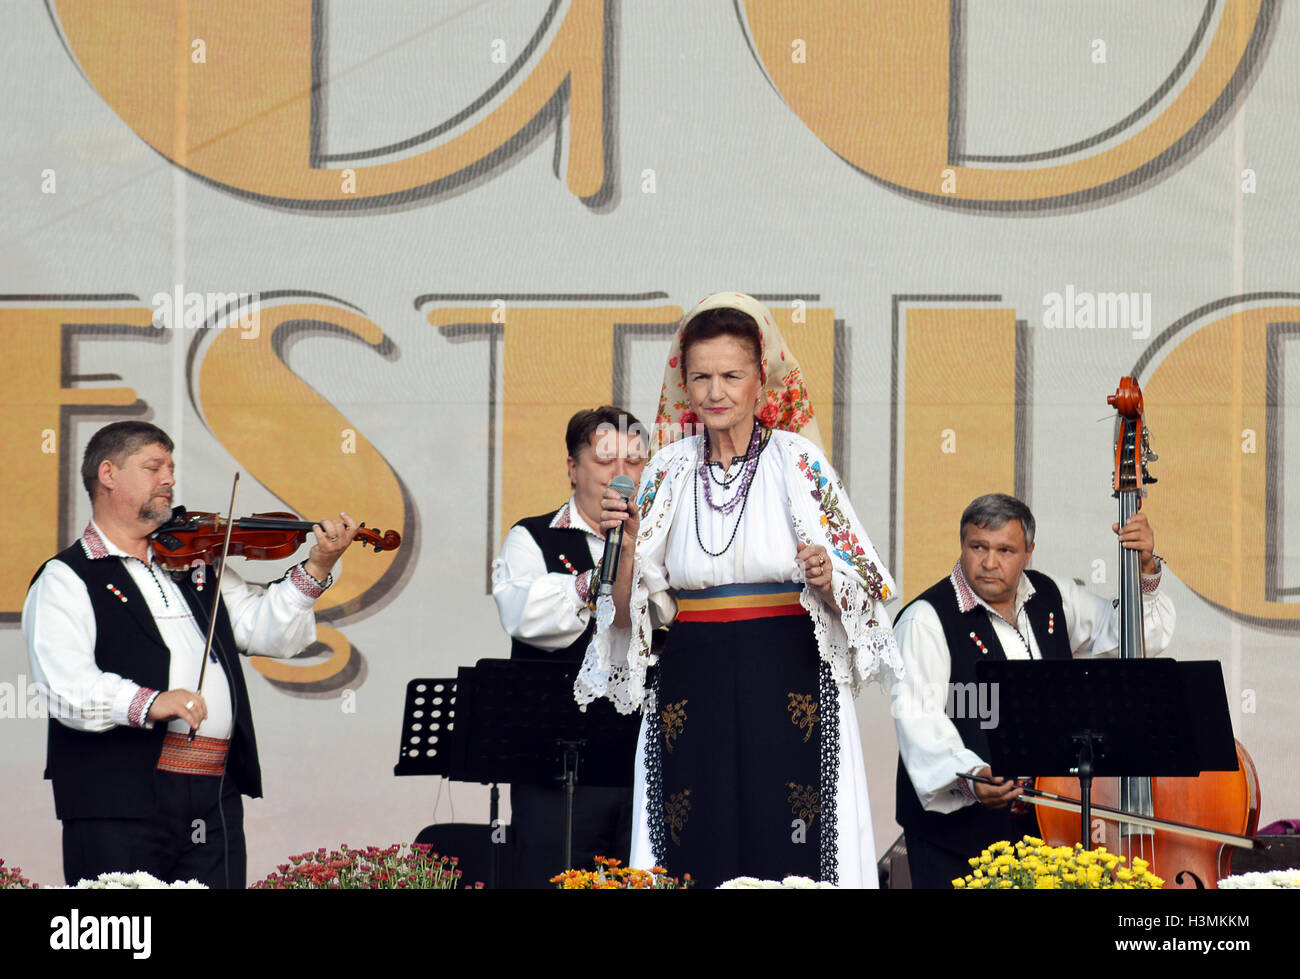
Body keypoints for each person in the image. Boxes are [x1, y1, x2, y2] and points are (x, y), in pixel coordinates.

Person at [575, 293, 900, 888]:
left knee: (792, 831)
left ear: (760, 382)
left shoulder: (799, 462)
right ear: (685, 384)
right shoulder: (667, 470)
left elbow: (868, 587)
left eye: (731, 375)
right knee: (693, 830)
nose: (715, 391)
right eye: (701, 377)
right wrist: (623, 543)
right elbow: (626, 611)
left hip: (789, 671)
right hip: (691, 673)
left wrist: (828, 581)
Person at [22, 421, 359, 888]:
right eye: (153, 467)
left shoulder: (194, 562)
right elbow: (64, 686)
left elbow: (268, 633)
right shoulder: (66, 577)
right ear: (108, 474)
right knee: (125, 938)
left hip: (212, 792)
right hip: (118, 800)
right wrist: (151, 701)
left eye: (172, 468)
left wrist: (317, 566)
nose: (169, 480)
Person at [891, 492, 1175, 889]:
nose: (989, 562)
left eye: (1005, 550)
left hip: (1042, 827)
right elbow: (918, 719)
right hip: (955, 840)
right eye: (978, 547)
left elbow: (1131, 637)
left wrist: (1145, 568)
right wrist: (972, 776)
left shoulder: (1051, 596)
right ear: (963, 545)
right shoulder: (925, 619)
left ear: (1029, 552)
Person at [491, 406, 657, 886]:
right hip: (554, 772)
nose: (622, 475)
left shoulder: (656, 542)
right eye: (606, 461)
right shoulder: (532, 537)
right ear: (572, 468)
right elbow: (523, 615)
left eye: (635, 462)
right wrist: (595, 579)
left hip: (640, 765)